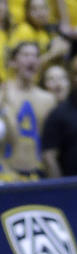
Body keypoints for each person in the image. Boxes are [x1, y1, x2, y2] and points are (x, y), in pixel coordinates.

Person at [0, 40, 57, 177]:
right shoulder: (2, 95)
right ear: (13, 62)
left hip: (37, 173)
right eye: (25, 55)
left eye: (35, 56)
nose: (31, 59)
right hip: (5, 173)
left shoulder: (48, 99)